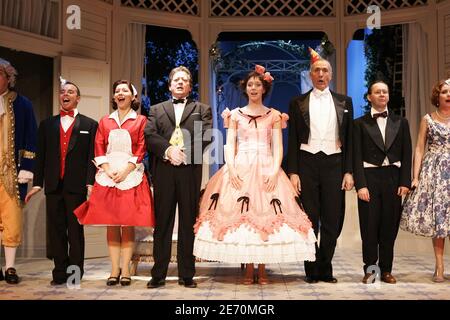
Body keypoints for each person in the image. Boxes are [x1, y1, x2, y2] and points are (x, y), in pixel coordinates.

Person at [193, 65, 316, 285]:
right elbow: (229, 145)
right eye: (250, 85)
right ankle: (249, 268)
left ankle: (263, 268)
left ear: (264, 88)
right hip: (241, 166)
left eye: (257, 85)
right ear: (245, 88)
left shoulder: (274, 116)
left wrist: (274, 169)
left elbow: (278, 146)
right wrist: (231, 168)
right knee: (244, 216)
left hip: (267, 165)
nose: (253, 88)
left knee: (267, 215)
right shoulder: (235, 115)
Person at [73, 80, 154, 286]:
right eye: (117, 91)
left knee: (127, 224)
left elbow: (141, 148)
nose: (120, 93)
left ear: (133, 97)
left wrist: (126, 171)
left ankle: (125, 269)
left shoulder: (141, 120)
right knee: (111, 224)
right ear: (113, 96)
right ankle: (114, 269)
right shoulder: (105, 121)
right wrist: (108, 171)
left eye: (124, 90)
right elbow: (99, 146)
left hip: (130, 175)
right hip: (108, 176)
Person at [287, 48, 354, 284]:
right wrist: (293, 172)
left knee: (332, 219)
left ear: (331, 75)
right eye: (317, 70)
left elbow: (349, 140)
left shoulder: (345, 102)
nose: (321, 74)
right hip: (307, 163)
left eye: (325, 70)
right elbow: (292, 139)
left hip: (335, 163)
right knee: (309, 218)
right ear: (310, 74)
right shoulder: (297, 103)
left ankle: (326, 266)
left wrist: (348, 170)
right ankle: (311, 269)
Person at [145, 66, 212, 289]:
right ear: (170, 84)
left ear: (190, 86)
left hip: (189, 170)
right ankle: (158, 274)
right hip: (164, 169)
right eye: (177, 79)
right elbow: (150, 135)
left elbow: (206, 135)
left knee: (187, 222)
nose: (180, 82)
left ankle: (187, 274)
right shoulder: (156, 109)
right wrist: (168, 151)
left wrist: (183, 154)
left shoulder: (202, 109)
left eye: (185, 80)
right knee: (162, 223)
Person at [25, 79, 97, 286]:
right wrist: (37, 183)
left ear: (78, 98)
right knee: (56, 232)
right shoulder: (47, 124)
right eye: (63, 91)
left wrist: (90, 184)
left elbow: (92, 157)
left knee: (75, 233)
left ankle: (74, 275)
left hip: (76, 188)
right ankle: (59, 274)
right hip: (54, 187)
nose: (65, 94)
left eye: (71, 91)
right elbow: (41, 157)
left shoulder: (90, 125)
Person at [353, 81, 412, 284]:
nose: (381, 95)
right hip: (369, 178)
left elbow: (407, 153)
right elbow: (356, 156)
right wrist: (360, 184)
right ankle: (370, 270)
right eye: (377, 92)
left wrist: (405, 181)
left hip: (393, 179)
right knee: (369, 227)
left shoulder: (401, 122)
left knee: (389, 226)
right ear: (369, 96)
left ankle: (386, 270)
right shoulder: (359, 124)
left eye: (384, 92)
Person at [400, 79, 450, 283]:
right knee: (439, 220)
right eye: (445, 91)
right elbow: (419, 148)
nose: (448, 95)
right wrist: (415, 176)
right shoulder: (428, 119)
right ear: (437, 96)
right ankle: (439, 265)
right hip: (435, 172)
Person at [0, 58, 37, 284]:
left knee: (12, 219)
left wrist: (27, 169)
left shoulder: (22, 104)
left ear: (8, 77)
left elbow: (31, 139)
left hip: (11, 172)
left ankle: (10, 267)